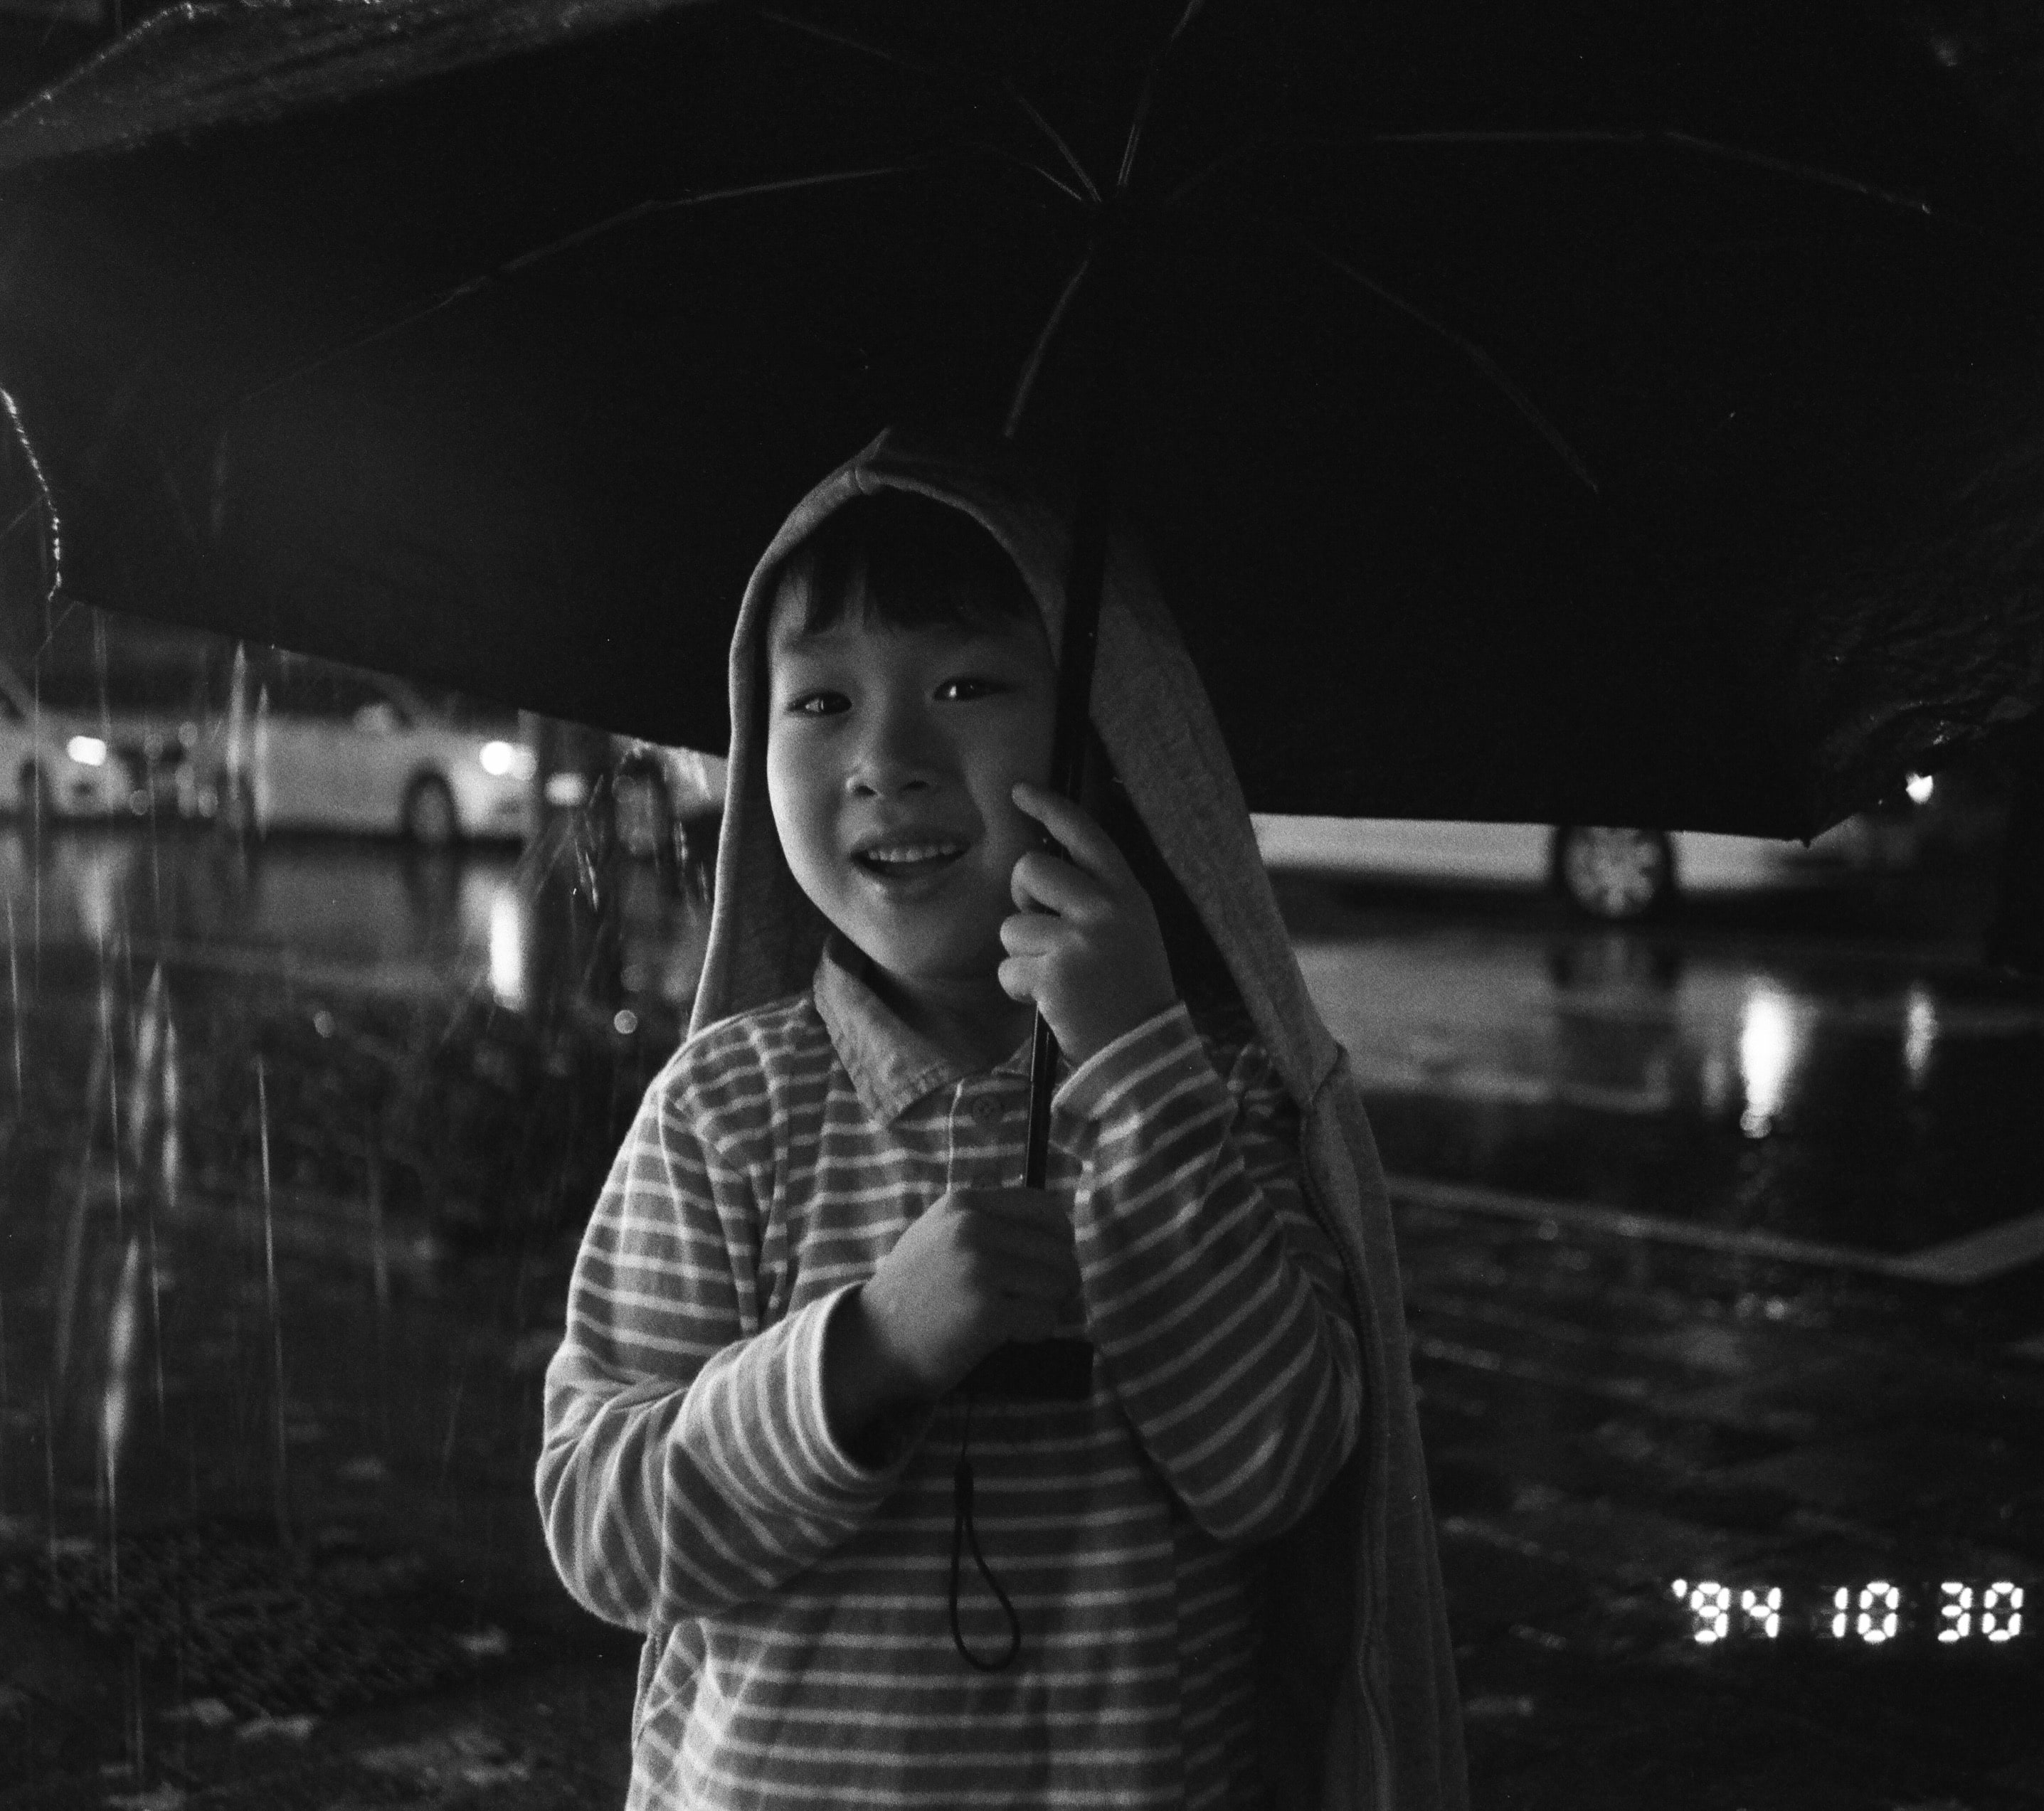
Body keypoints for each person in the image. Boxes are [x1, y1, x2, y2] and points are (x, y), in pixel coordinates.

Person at [537, 431, 1466, 1810]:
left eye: (966, 685)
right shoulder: (728, 1110)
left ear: (1101, 744)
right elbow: (605, 1528)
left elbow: (1275, 1470)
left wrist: (1139, 1068)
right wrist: (868, 1349)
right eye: (821, 701)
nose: (888, 759)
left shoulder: (1210, 1093)